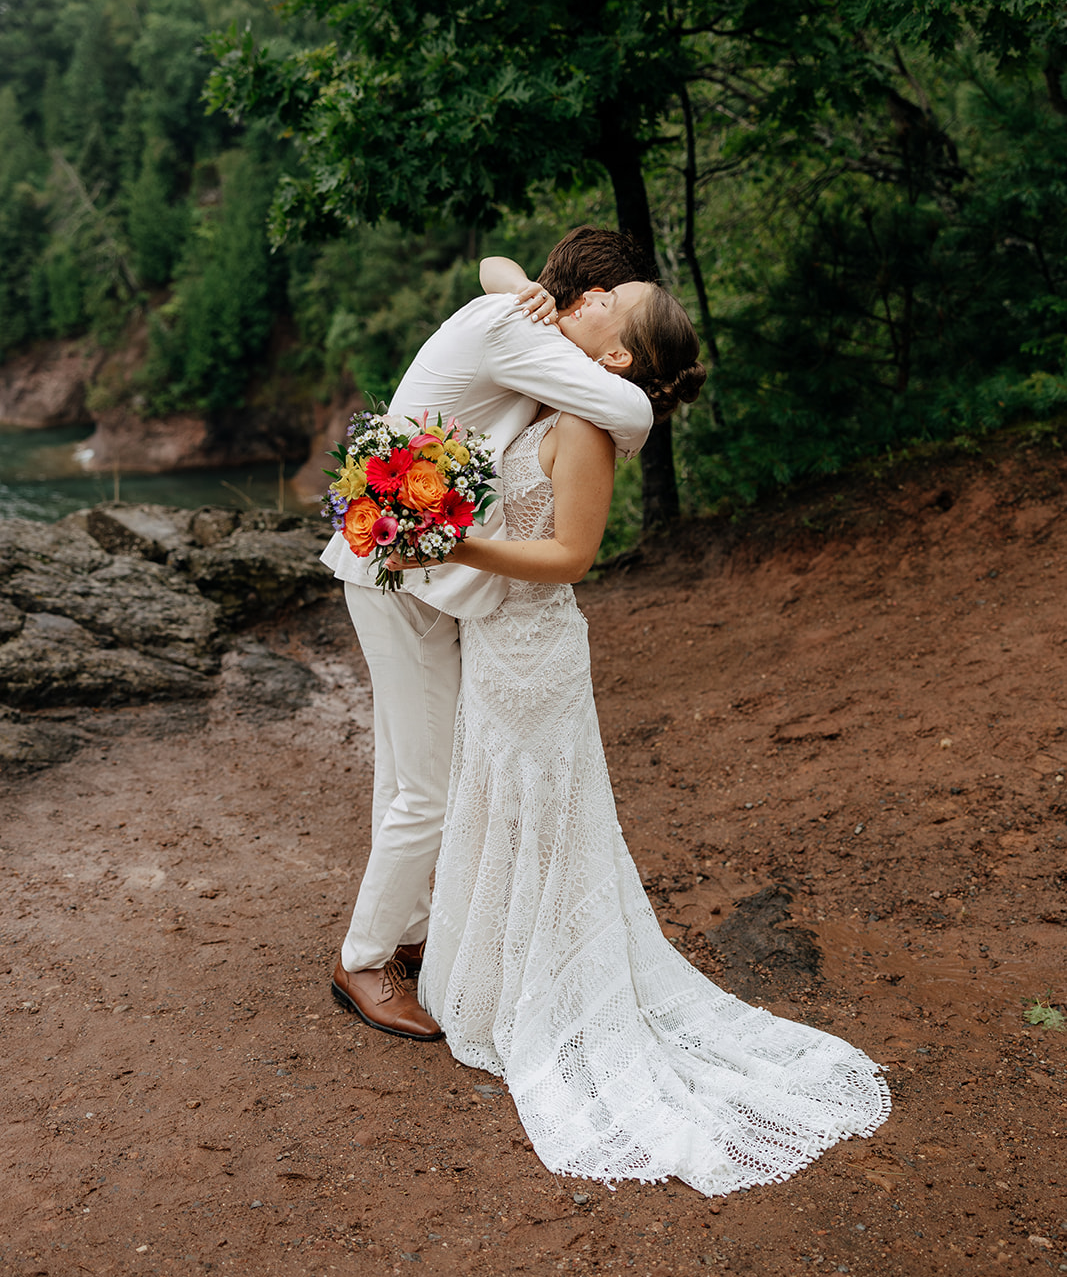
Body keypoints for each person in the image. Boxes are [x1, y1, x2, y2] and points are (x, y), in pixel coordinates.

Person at [418, 301, 891, 1197]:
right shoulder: (547, 398)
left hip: (537, 650)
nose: (587, 300)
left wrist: (452, 542)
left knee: (550, 819)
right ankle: (495, 975)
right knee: (493, 803)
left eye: (609, 304)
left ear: (617, 356)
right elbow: (506, 284)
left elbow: (570, 556)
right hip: (491, 645)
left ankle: (554, 993)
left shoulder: (586, 429)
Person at [323, 228, 665, 1040]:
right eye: (598, 293)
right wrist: (522, 292)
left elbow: (495, 276)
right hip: (397, 566)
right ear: (572, 295)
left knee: (409, 774)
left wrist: (514, 282)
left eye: (609, 304)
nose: (594, 303)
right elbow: (630, 410)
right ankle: (363, 959)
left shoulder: (522, 324)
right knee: (428, 786)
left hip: (419, 571)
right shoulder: (515, 327)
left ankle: (405, 933)